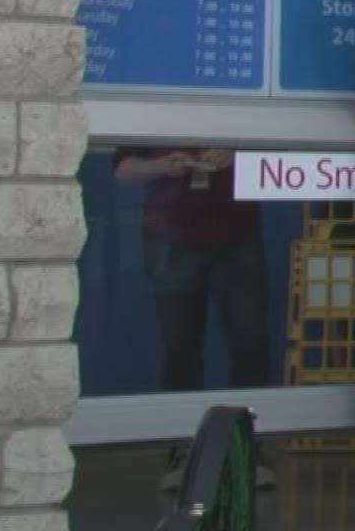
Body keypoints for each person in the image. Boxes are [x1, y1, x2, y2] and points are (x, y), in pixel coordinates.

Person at [113, 145, 274, 491]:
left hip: (237, 235)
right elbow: (123, 170)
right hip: (170, 233)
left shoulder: (247, 95)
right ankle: (182, 452)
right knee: (179, 348)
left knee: (251, 343)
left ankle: (245, 451)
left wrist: (238, 156)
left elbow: (282, 155)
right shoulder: (155, 99)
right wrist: (165, 165)